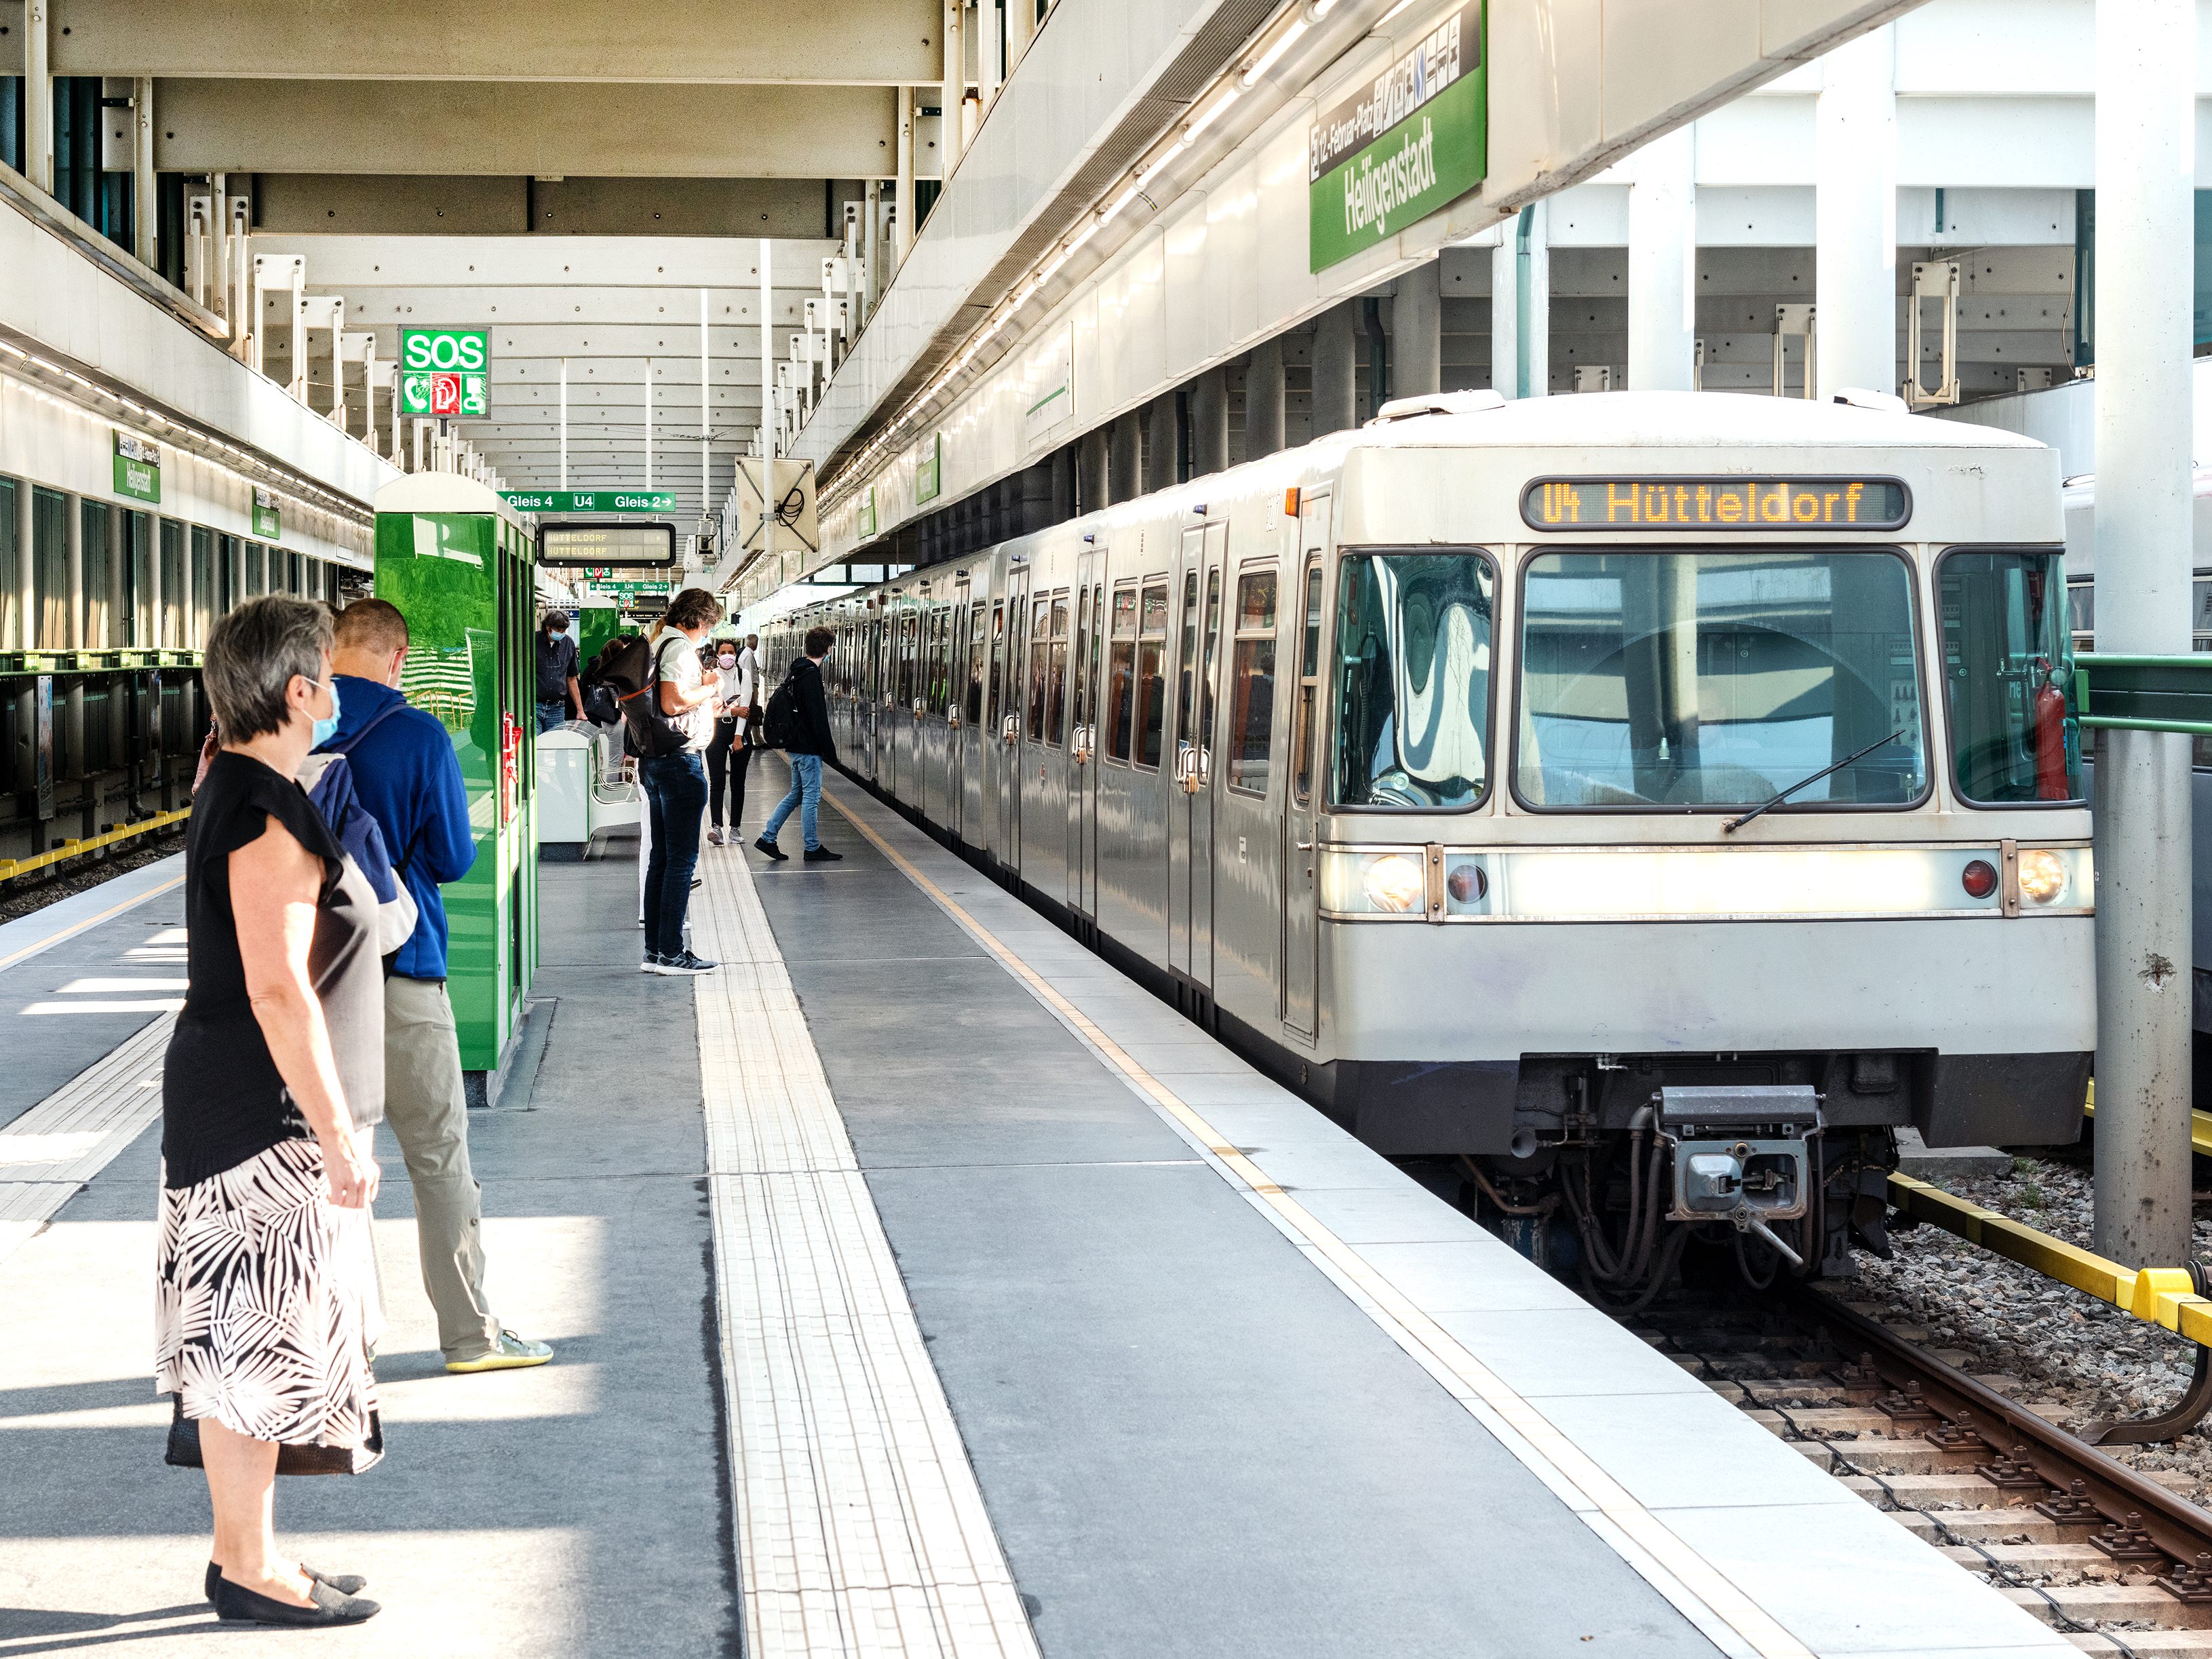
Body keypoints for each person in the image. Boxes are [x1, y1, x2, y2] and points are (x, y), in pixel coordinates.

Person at [159, 596, 383, 1628]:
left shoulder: (235, 784)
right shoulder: (265, 811)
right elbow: (279, 988)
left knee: (238, 1338)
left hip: (228, 1098)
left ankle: (247, 1552)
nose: (335, 696)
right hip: (259, 1114)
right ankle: (248, 1567)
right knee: (253, 1341)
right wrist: (336, 1135)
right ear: (301, 692)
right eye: (328, 680)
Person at [322, 599, 554, 1375]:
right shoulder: (419, 735)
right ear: (399, 657)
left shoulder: (293, 727)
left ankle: (336, 1342)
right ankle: (469, 1337)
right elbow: (454, 858)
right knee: (437, 1157)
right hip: (399, 972)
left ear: (331, 650)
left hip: (312, 980)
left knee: (326, 1162)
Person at [640, 587, 723, 973]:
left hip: (660, 763)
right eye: (707, 626)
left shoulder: (660, 642)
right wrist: (710, 689)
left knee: (663, 858)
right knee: (681, 862)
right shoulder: (677, 647)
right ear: (695, 620)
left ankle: (656, 951)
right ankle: (672, 952)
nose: (707, 634)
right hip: (679, 764)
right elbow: (672, 703)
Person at [756, 625, 843, 864]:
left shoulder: (796, 671)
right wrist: (830, 752)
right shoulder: (811, 675)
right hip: (807, 749)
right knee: (811, 797)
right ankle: (812, 847)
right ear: (828, 649)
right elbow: (817, 717)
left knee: (796, 794)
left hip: (795, 746)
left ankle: (768, 837)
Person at [704, 635, 754, 846]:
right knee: (717, 782)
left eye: (731, 652)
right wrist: (733, 709)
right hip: (716, 731)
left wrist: (738, 737)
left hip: (739, 732)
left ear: (736, 654)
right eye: (723, 653)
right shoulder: (710, 677)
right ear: (717, 655)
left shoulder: (745, 674)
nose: (727, 656)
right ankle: (716, 827)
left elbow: (746, 710)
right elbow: (709, 709)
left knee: (738, 783)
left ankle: (735, 828)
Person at [535, 610, 581, 733]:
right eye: (558, 630)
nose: (561, 633)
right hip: (534, 705)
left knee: (555, 745)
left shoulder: (568, 643)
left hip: (557, 707)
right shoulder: (533, 641)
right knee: (536, 744)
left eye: (563, 631)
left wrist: (580, 710)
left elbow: (571, 678)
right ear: (548, 627)